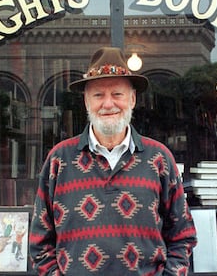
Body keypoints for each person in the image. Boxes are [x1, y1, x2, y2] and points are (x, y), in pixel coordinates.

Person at [29, 47, 197, 275]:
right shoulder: (59, 160)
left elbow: (183, 236)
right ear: (87, 101)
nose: (108, 104)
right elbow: (40, 242)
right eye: (98, 95)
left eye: (117, 94)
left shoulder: (159, 158)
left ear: (133, 99)